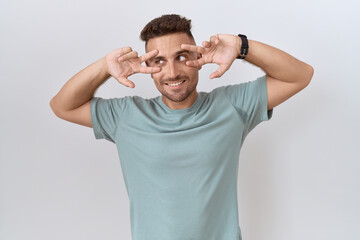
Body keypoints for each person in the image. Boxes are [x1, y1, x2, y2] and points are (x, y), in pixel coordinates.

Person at [50, 14, 313, 240]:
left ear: (197, 56)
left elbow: (300, 76)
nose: (173, 72)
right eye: (159, 61)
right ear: (148, 66)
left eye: (182, 56)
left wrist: (240, 45)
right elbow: (62, 106)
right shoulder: (126, 116)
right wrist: (105, 67)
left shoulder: (232, 106)